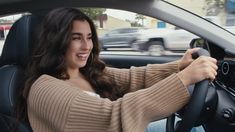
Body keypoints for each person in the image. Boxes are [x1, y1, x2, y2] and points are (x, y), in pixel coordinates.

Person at [17, 7, 218, 132]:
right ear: (56, 42)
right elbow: (111, 116)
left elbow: (134, 77)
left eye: (89, 37)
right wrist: (183, 79)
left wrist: (178, 66)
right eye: (76, 38)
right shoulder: (43, 89)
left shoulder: (86, 71)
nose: (87, 47)